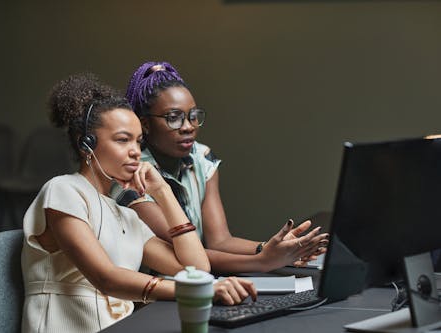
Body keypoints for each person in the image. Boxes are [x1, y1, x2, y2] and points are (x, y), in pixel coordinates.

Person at [21, 73, 257, 333]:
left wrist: (162, 191)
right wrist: (201, 290)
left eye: (138, 141)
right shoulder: (63, 190)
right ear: (86, 145)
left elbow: (195, 268)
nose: (135, 151)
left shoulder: (125, 215)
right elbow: (106, 278)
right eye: (123, 140)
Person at [120, 61, 329, 274]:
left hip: (200, 282)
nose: (188, 127)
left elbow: (219, 241)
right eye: (174, 118)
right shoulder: (132, 174)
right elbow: (187, 254)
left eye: (193, 116)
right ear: (145, 124)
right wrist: (263, 260)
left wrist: (272, 248)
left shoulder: (202, 158)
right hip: (152, 297)